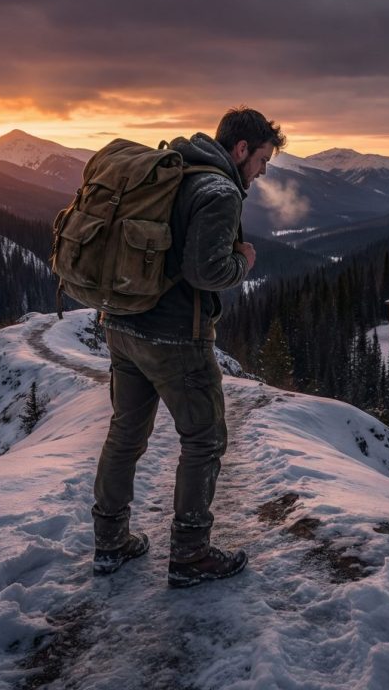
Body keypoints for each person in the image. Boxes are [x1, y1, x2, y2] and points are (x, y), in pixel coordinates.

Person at [91, 107, 286, 587]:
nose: (262, 173)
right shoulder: (219, 191)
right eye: (262, 160)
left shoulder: (173, 168)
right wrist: (243, 263)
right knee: (204, 439)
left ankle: (110, 543)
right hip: (175, 336)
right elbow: (205, 272)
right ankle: (191, 553)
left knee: (125, 434)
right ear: (241, 150)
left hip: (121, 321)